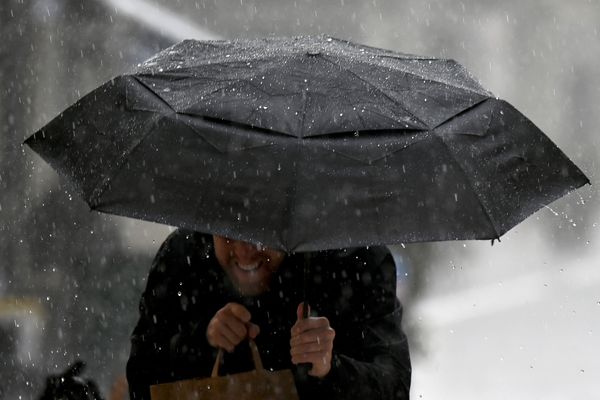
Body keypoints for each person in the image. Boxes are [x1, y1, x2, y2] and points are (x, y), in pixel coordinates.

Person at [126, 229, 411, 399]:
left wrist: (329, 368)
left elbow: (393, 384)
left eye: (261, 236)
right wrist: (201, 342)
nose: (245, 253)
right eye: (227, 233)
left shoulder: (352, 260)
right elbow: (142, 380)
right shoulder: (183, 259)